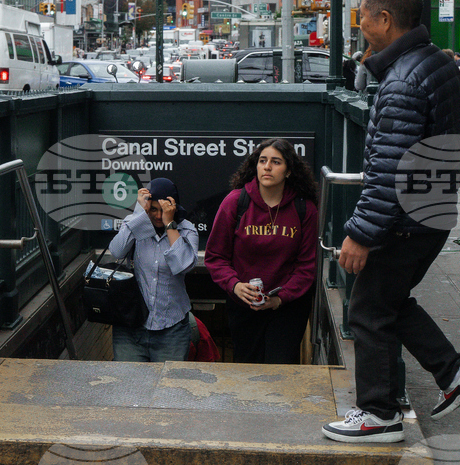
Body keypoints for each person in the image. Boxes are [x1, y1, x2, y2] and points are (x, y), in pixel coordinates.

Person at [322, 0, 460, 444]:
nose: (359, 22)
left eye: (363, 14)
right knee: (389, 301)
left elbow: (389, 171)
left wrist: (360, 233)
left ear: (385, 18)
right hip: (431, 214)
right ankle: (453, 374)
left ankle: (378, 414)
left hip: (405, 221)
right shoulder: (437, 65)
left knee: (368, 311)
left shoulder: (402, 82)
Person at [204, 138, 318, 364]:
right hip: (244, 305)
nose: (267, 167)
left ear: (288, 171)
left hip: (287, 306)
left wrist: (279, 299)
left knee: (281, 371)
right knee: (247, 371)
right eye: (262, 161)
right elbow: (215, 257)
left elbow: (306, 267)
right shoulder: (235, 202)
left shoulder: (305, 209)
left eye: (276, 162)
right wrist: (235, 285)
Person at [108, 178, 199, 362]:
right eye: (153, 210)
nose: (158, 216)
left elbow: (183, 266)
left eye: (163, 210)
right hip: (131, 327)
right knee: (129, 385)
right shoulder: (135, 223)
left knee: (169, 387)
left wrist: (170, 224)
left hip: (171, 331)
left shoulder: (187, 230)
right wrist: (139, 213)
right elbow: (116, 251)